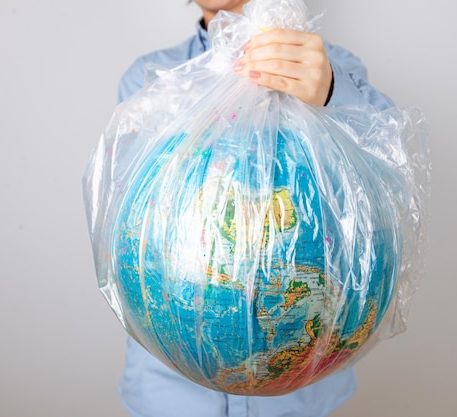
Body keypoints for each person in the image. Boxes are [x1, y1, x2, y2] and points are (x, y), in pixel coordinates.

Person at [115, 1, 394, 416]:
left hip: (299, 388)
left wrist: (333, 93)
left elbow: (388, 175)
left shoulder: (327, 65)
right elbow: (132, 225)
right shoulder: (151, 79)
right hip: (170, 391)